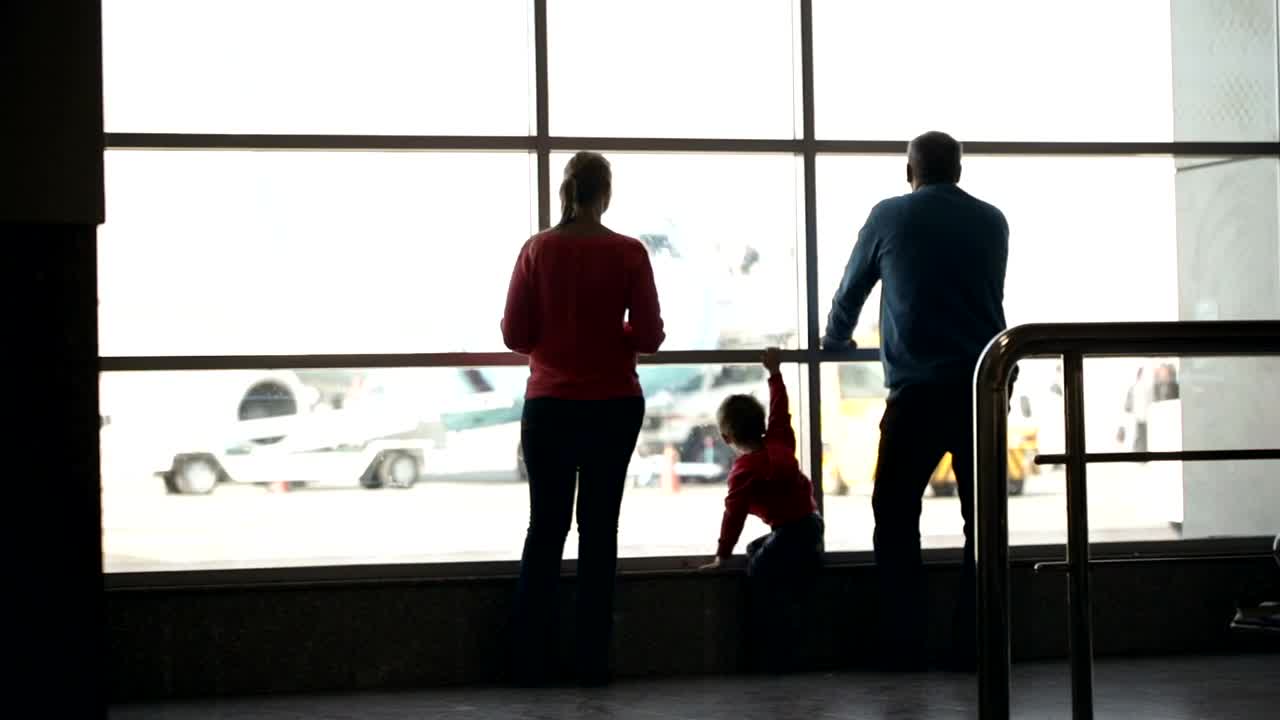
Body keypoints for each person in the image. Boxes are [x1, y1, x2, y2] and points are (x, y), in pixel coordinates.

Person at [821, 131, 1009, 671]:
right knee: (985, 523)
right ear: (958, 170)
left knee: (896, 514)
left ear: (911, 170)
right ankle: (975, 643)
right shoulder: (992, 220)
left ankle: (905, 641)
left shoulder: (889, 216)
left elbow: (851, 290)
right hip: (982, 387)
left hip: (917, 393)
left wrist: (835, 341)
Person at [501, 151, 666, 686]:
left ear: (564, 192)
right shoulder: (629, 252)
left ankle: (527, 657)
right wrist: (608, 334)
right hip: (614, 405)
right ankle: (592, 659)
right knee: (599, 531)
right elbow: (648, 337)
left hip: (548, 405)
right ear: (605, 194)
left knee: (544, 529)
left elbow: (516, 335)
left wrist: (561, 334)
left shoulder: (536, 250)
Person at [698, 347, 823, 672]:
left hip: (790, 530)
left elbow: (733, 516)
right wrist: (774, 373)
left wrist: (722, 555)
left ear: (727, 438)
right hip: (810, 523)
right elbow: (781, 409)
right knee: (757, 549)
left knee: (759, 574)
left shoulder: (744, 472)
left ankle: (766, 651)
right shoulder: (779, 439)